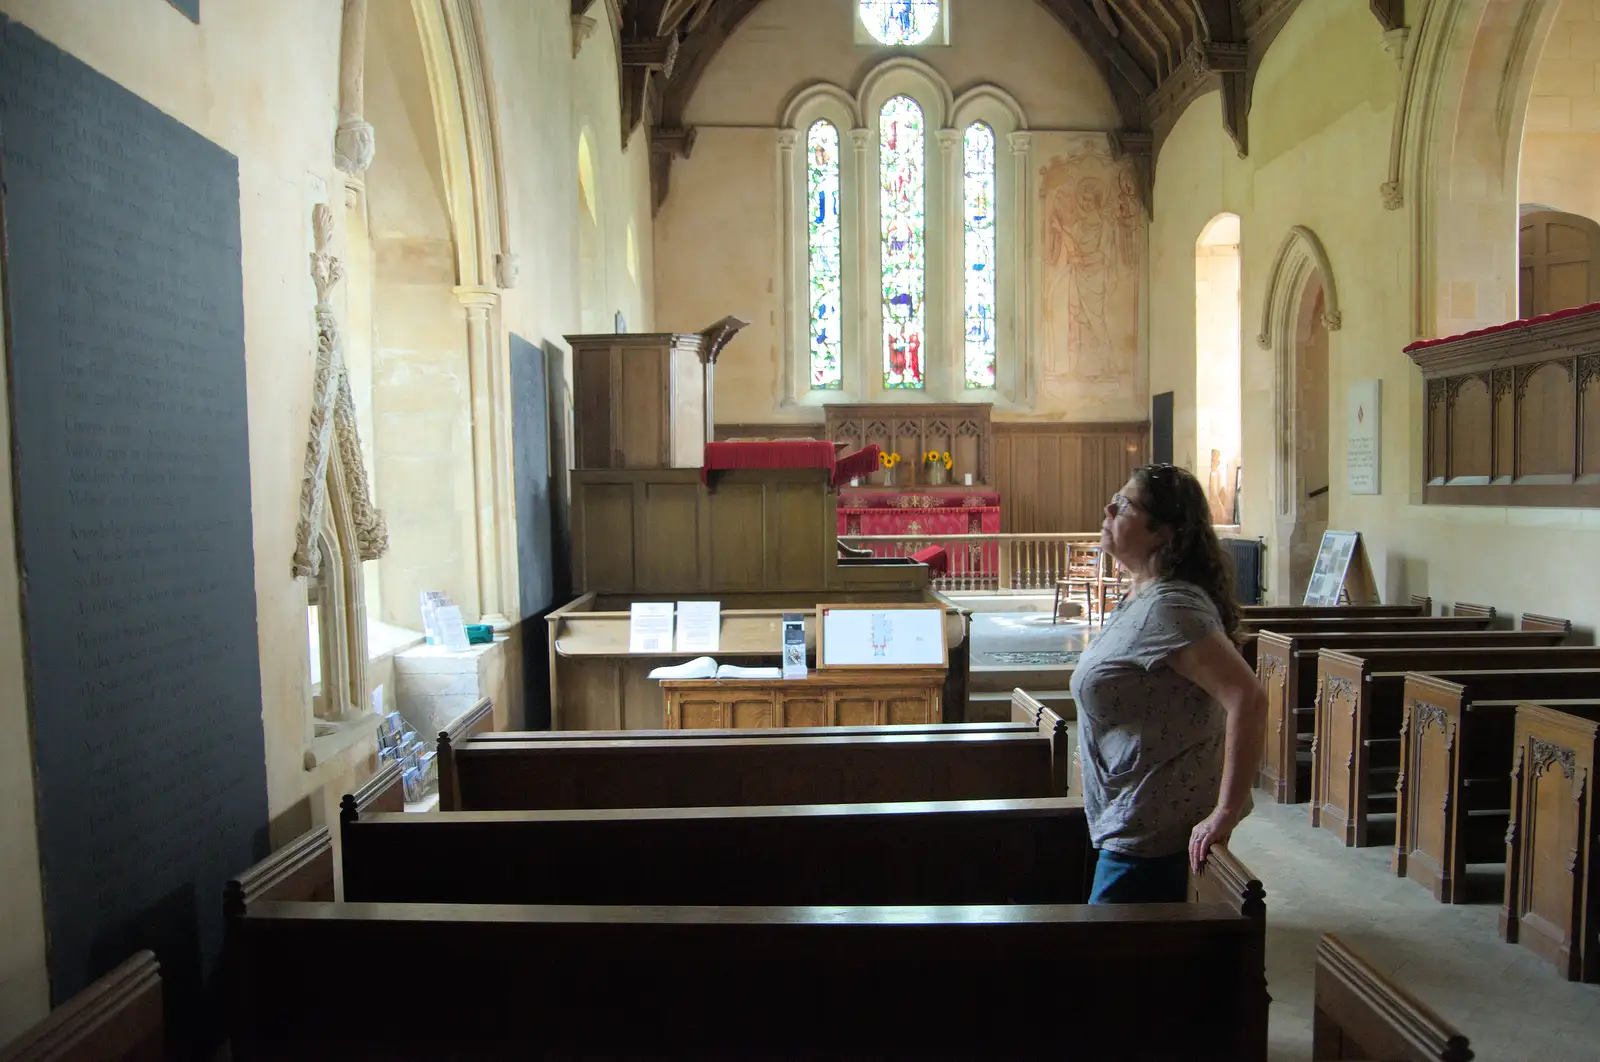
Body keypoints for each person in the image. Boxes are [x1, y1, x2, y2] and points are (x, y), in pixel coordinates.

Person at [1068, 463, 1267, 904]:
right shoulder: (1144, 593)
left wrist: (1226, 813)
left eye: (1123, 504)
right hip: (1129, 818)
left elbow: (1247, 698)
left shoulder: (1171, 607)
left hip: (1151, 832)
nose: (1107, 508)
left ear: (1162, 533)